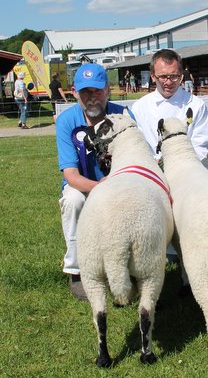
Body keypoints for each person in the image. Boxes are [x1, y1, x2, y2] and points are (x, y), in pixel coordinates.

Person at [55, 63, 132, 300]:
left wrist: (114, 184)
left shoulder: (124, 115)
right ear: (75, 92)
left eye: (97, 91)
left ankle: (127, 267)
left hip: (119, 182)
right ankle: (77, 270)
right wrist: (99, 188)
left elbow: (134, 159)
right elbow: (70, 174)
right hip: (84, 185)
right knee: (73, 201)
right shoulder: (66, 121)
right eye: (85, 91)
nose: (92, 97)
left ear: (108, 89)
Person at [132, 49, 208, 168]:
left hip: (190, 169)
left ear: (181, 77)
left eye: (174, 76)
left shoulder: (196, 104)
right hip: (153, 171)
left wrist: (178, 164)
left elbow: (201, 145)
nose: (168, 82)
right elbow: (137, 145)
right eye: (163, 77)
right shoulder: (139, 107)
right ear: (153, 77)